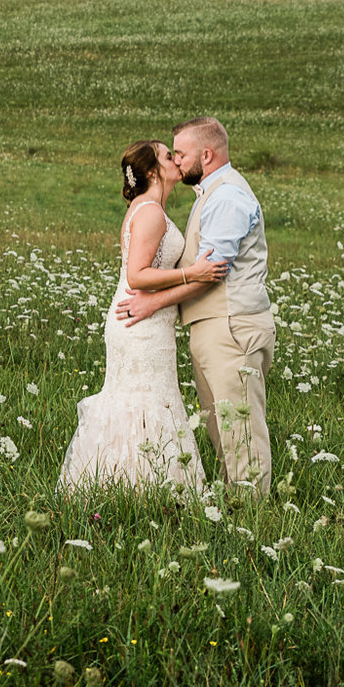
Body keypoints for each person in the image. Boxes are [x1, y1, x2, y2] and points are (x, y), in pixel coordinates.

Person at [115, 116, 277, 495]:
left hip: (231, 325)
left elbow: (210, 274)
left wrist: (152, 304)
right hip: (213, 325)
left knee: (240, 428)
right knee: (222, 429)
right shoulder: (211, 194)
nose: (179, 162)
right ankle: (235, 504)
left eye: (183, 154)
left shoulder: (227, 198)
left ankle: (251, 513)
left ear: (207, 153)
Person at [55, 140, 226, 494]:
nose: (176, 160)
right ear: (152, 172)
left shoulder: (147, 208)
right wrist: (192, 274)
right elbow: (137, 275)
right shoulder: (148, 211)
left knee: (146, 401)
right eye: (168, 156)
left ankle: (135, 486)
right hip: (138, 324)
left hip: (146, 319)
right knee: (143, 402)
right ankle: (135, 487)